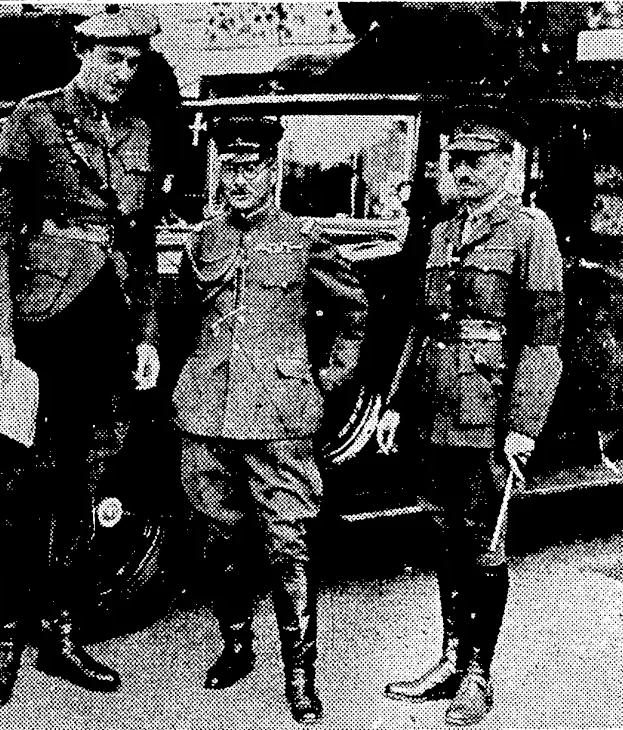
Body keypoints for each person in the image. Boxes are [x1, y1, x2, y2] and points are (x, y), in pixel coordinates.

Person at [0, 7, 164, 707]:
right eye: (113, 58)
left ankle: (58, 635)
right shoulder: (34, 116)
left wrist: (145, 336)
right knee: (20, 490)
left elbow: (138, 246)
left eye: (135, 60)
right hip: (40, 322)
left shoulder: (141, 130)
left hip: (105, 328)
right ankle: (5, 643)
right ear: (82, 50)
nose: (124, 72)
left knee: (84, 486)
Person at [173, 116, 368, 725]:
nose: (238, 180)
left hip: (277, 411)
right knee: (218, 535)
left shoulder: (302, 241)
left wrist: (326, 379)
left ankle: (300, 677)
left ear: (274, 169)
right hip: (204, 411)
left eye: (251, 166)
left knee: (289, 546)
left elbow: (354, 316)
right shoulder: (201, 243)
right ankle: (234, 646)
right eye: (228, 167)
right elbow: (183, 318)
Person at [376, 105, 564, 726]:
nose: (462, 172)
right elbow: (423, 327)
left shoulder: (532, 230)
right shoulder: (440, 230)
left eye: (476, 161)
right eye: (455, 161)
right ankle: (451, 659)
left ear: (509, 165)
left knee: (486, 544)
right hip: (437, 407)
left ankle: (479, 675)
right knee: (447, 536)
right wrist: (400, 405)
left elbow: (541, 343)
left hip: (488, 411)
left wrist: (523, 424)